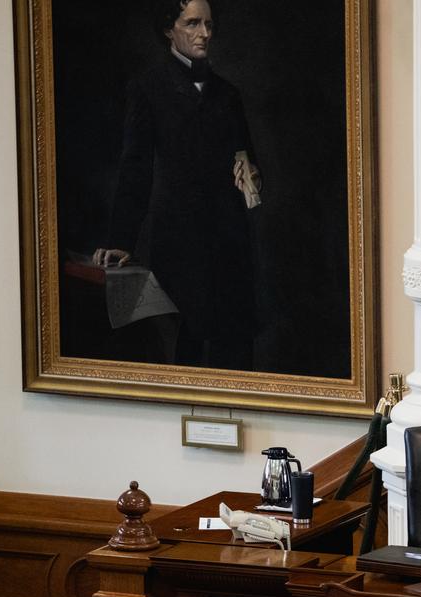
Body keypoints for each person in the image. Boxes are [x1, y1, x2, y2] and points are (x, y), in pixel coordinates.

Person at [93, 0, 261, 370]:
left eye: (209, 25)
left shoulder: (228, 94)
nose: (204, 34)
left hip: (229, 242)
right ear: (170, 29)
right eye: (193, 23)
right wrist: (122, 239)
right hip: (178, 242)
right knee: (186, 348)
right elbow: (135, 167)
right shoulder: (149, 88)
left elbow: (246, 158)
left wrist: (250, 173)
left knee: (234, 348)